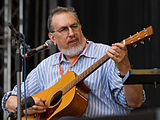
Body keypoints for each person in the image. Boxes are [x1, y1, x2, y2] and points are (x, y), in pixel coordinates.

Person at [2, 6, 144, 119]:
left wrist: (125, 67)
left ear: (80, 27)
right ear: (52, 38)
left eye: (74, 26)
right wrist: (22, 105)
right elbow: (8, 100)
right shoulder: (46, 66)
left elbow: (134, 102)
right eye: (64, 29)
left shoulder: (106, 54)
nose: (71, 33)